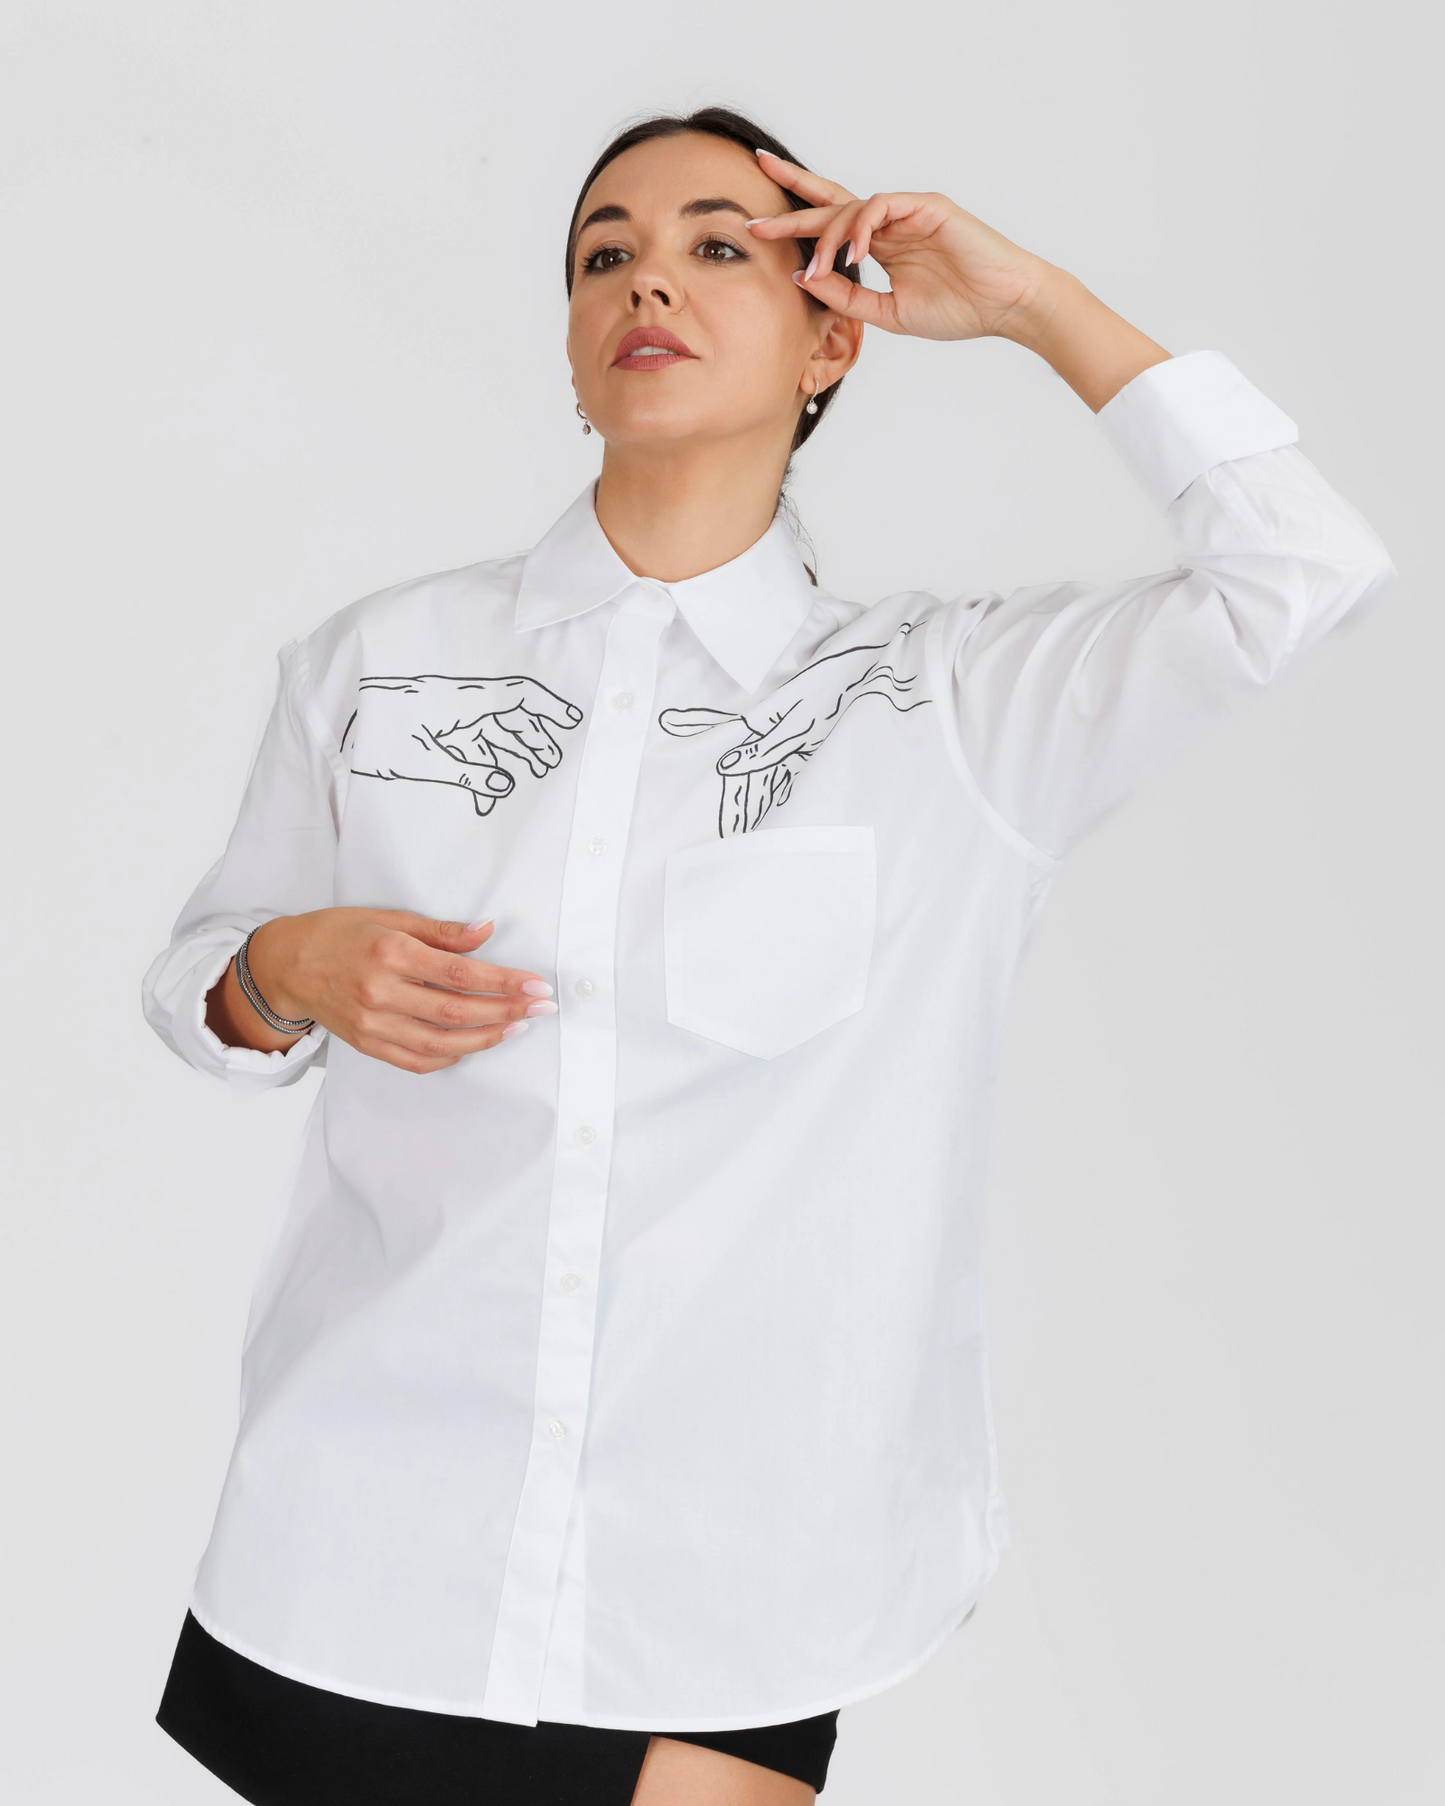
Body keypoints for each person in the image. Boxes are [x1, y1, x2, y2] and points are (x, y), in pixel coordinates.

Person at [142, 106, 1394, 1805]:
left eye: (719, 244)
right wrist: (287, 966)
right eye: (605, 253)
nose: (648, 277)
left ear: (832, 339)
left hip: (727, 1592)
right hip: (357, 1557)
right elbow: (205, 989)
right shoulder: (376, 668)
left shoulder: (953, 709)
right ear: (573, 347)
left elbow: (1304, 569)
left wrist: (1033, 304)